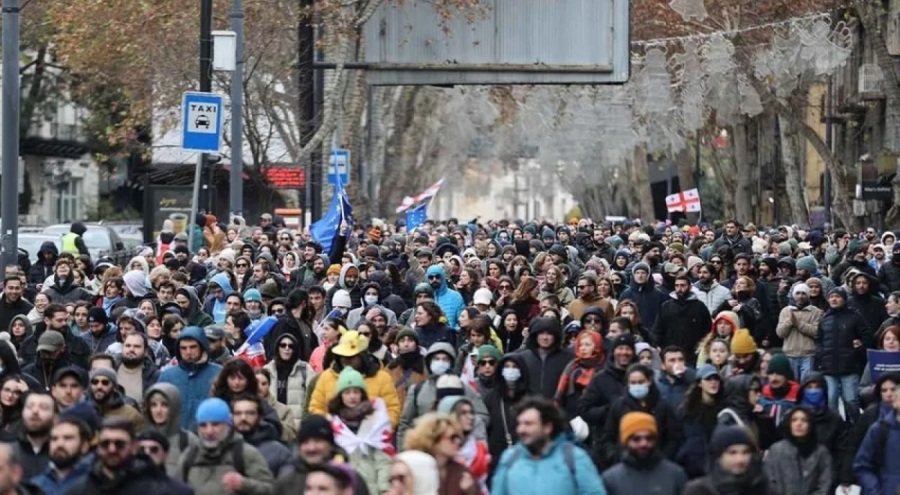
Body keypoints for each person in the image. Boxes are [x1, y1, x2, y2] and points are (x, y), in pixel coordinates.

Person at [492, 396, 606, 495]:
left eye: (528, 424)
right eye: (519, 424)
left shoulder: (574, 458)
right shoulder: (510, 459)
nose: (521, 429)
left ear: (547, 427)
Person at [176, 397, 274, 495]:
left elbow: (270, 489)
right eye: (203, 425)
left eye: (215, 424)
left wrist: (244, 485)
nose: (209, 431)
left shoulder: (246, 454)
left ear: (228, 425)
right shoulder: (188, 456)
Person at [63, 418, 184, 495]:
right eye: (105, 444)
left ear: (134, 447)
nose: (112, 449)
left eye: (119, 444)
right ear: (98, 447)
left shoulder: (163, 490)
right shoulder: (79, 491)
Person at [308, 331, 401, 427]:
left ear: (362, 356)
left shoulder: (382, 378)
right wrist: (330, 428)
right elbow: (316, 407)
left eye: (351, 356)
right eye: (342, 355)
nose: (346, 360)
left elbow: (392, 409)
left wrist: (379, 431)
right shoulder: (326, 377)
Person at [328, 368, 394, 495]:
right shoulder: (333, 424)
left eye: (356, 391)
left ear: (362, 394)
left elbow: (383, 460)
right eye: (347, 392)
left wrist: (384, 488)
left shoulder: (376, 422)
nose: (352, 396)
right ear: (341, 395)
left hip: (371, 488)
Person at [601, 412, 687, 495]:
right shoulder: (610, 479)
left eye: (649, 438)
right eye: (636, 439)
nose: (644, 444)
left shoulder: (675, 474)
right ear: (626, 442)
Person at [158, 327, 223, 430]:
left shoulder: (219, 373)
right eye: (183, 348)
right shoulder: (167, 376)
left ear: (202, 347)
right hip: (176, 435)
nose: (188, 352)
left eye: (193, 347)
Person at [402, 412, 478, 495]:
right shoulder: (413, 469)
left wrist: (471, 492)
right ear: (433, 439)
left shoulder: (462, 472)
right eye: (452, 437)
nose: (458, 441)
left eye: (458, 437)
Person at [763, 407, 831, 495]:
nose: (799, 424)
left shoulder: (821, 452)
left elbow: (824, 484)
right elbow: (768, 480)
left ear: (810, 425)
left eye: (804, 420)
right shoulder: (776, 450)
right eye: (794, 420)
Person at [684, 426, 770, 495]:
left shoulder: (763, 489)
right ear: (719, 456)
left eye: (745, 452)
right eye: (732, 453)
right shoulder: (699, 490)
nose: (740, 459)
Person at [142, 383, 199, 477]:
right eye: (153, 405)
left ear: (174, 407)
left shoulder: (188, 440)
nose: (158, 410)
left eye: (164, 405)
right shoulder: (140, 441)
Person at [231, 394, 292, 476]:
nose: (243, 418)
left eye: (250, 413)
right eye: (238, 413)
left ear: (260, 417)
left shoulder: (278, 453)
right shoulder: (221, 449)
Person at [30, 417, 93, 494]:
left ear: (84, 446)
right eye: (54, 439)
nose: (59, 444)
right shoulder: (36, 485)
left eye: (68, 438)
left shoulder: (95, 481)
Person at [519, 316, 573, 399]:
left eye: (549, 333)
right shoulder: (523, 357)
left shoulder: (567, 358)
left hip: (557, 404)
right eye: (541, 333)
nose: (545, 337)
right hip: (529, 404)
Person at [14, 392, 55, 479]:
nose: (35, 411)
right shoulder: (6, 450)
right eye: (30, 407)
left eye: (43, 407)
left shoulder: (62, 451)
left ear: (55, 416)